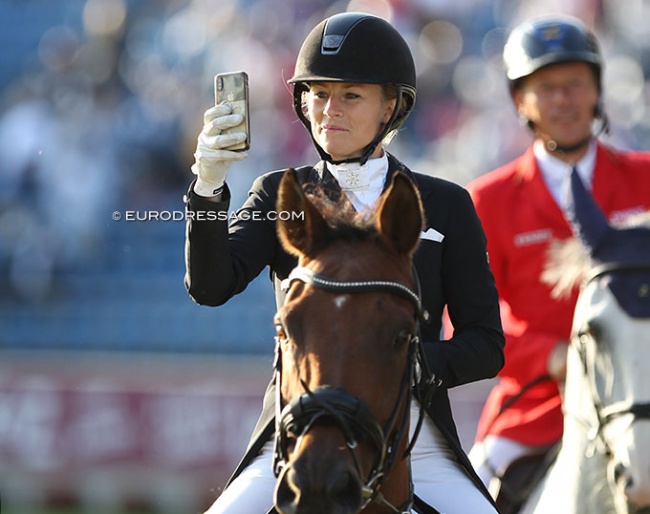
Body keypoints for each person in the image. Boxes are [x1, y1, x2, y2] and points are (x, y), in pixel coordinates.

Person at [184, 12, 504, 514]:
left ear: (391, 106)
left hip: (412, 435)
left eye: (351, 95)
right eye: (318, 93)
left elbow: (486, 345)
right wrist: (208, 185)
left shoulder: (445, 204)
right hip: (301, 432)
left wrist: (412, 364)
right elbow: (210, 286)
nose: (329, 110)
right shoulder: (278, 194)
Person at [466, 15, 650, 499]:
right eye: (546, 88)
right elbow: (465, 318)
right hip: (538, 405)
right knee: (461, 497)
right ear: (520, 101)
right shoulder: (486, 201)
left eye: (575, 84)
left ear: (597, 91)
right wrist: (552, 355)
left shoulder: (646, 178)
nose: (563, 100)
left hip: (641, 390)